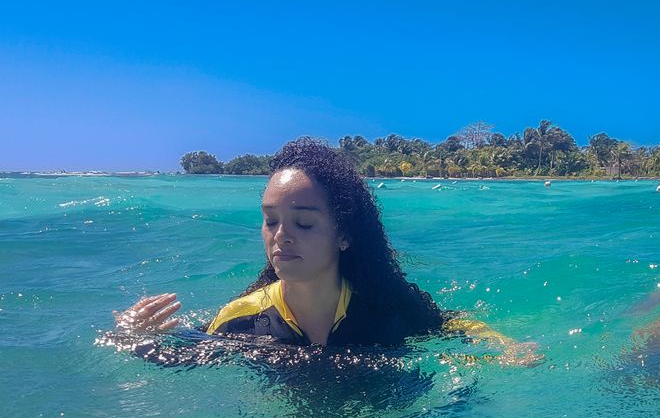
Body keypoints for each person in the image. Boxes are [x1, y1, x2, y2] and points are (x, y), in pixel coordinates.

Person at [116, 138, 525, 355]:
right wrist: (134, 338)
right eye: (270, 220)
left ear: (344, 235)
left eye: (304, 222)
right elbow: (188, 355)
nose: (281, 235)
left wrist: (504, 344)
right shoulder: (239, 321)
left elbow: (452, 325)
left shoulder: (386, 309)